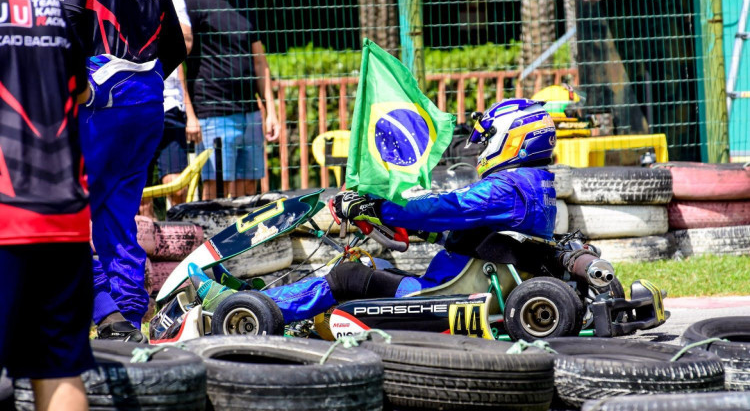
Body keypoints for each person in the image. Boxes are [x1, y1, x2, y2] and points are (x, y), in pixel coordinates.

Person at [195, 99, 558, 323]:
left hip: (441, 295)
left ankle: (246, 306)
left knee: (347, 276)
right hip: (473, 283)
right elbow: (476, 235)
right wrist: (416, 229)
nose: (482, 150)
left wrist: (379, 207)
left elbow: (446, 207)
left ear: (514, 138)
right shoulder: (535, 185)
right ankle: (261, 298)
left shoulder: (507, 187)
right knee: (378, 266)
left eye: (489, 138)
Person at [56, 0, 187, 341]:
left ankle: (104, 310)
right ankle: (127, 318)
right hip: (147, 99)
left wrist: (86, 88)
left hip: (96, 97)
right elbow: (176, 45)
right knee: (117, 214)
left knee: (59, 213)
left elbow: (59, 27)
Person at [0, 0, 93, 411]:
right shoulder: (52, 0)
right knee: (60, 371)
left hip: (5, 215)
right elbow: (80, 92)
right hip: (64, 216)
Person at [184, 0, 281, 200]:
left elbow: (259, 61)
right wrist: (189, 114)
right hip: (213, 113)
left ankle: (243, 236)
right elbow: (178, 64)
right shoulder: (191, 2)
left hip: (250, 113)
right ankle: (212, 235)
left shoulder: (243, 3)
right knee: (217, 191)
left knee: (248, 188)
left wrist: (271, 112)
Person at [141, 0, 197, 218]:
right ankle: (143, 248)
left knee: (178, 185)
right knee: (139, 191)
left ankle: (175, 243)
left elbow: (184, 43)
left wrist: (191, 114)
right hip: (136, 103)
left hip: (170, 105)